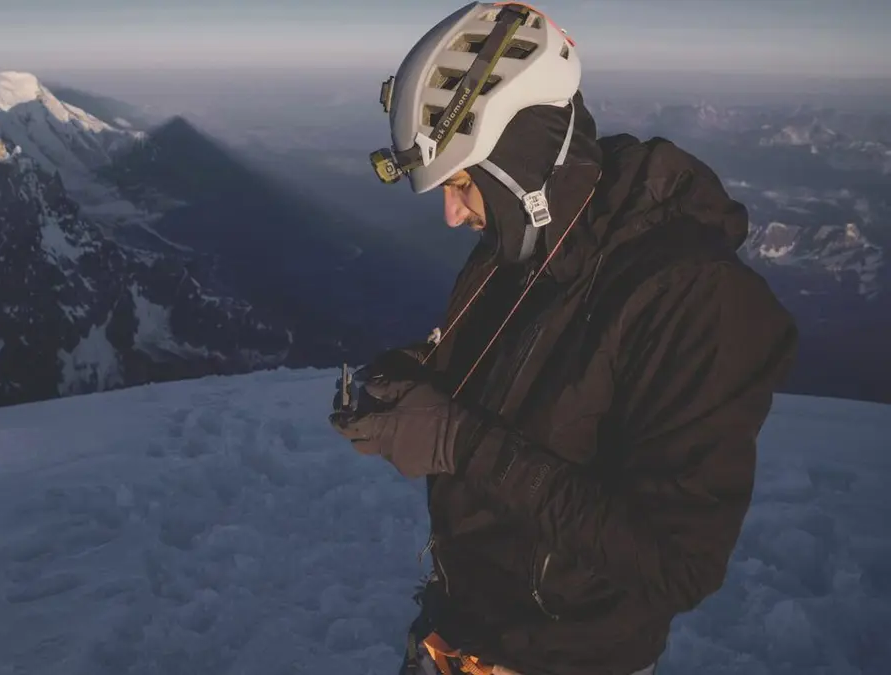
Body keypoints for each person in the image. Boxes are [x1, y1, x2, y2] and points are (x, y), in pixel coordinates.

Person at [328, 3, 799, 675]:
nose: (452, 214)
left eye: (460, 184)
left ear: (518, 162)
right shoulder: (525, 244)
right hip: (457, 633)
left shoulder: (694, 298)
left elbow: (675, 563)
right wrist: (419, 382)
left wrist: (456, 440)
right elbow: (523, 389)